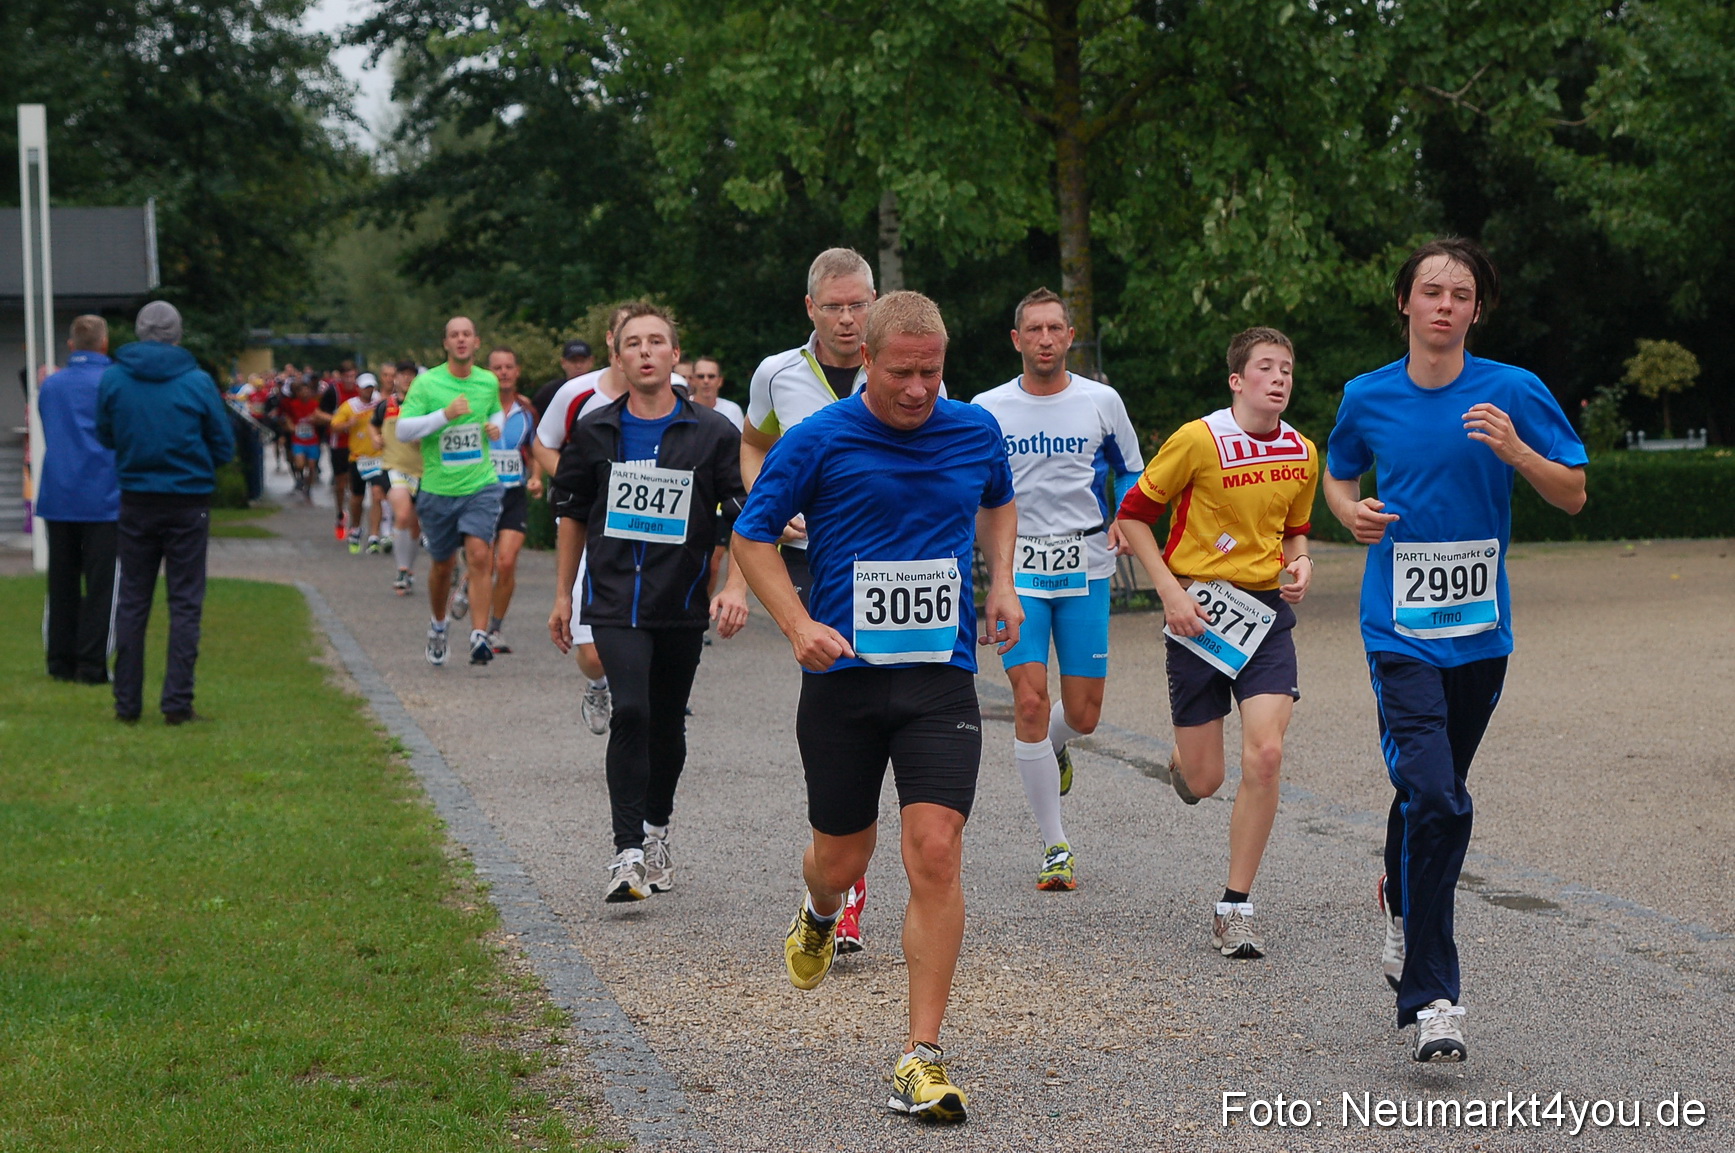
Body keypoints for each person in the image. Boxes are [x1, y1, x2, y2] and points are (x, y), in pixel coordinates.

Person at [732, 291, 1020, 1124]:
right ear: (866, 362)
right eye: (903, 372)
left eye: (933, 371)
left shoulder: (972, 429)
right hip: (843, 681)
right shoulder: (818, 438)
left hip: (939, 677)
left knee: (935, 847)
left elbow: (998, 497)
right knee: (842, 857)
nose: (920, 387)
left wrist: (1000, 578)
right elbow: (750, 536)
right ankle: (820, 912)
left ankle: (919, 1053)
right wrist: (796, 623)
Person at [1323, 238, 1587, 1063]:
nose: (1443, 304)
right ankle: (1434, 997)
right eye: (1430, 290)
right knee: (1438, 794)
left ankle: (1398, 894)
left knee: (1430, 794)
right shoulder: (1365, 396)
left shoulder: (1512, 390)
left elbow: (1574, 493)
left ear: (1477, 309)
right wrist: (1348, 511)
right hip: (1397, 634)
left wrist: (1515, 452)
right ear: (1403, 302)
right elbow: (1336, 472)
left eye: (1460, 293)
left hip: (1480, 636)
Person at [1115, 327, 1317, 961]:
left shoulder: (1304, 451)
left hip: (1264, 620)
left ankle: (1236, 906)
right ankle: (1185, 761)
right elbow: (1131, 516)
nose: (1279, 378)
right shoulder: (1198, 440)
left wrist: (1302, 561)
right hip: (1197, 616)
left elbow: (1295, 532)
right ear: (1237, 380)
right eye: (1266, 368)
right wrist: (1171, 594)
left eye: (1286, 368)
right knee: (1205, 781)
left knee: (1266, 755)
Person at [547, 302, 748, 901]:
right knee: (630, 710)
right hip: (611, 600)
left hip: (679, 602)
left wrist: (734, 584)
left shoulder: (711, 432)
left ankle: (657, 829)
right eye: (632, 342)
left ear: (674, 355)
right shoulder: (595, 428)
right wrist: (563, 594)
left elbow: (744, 515)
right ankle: (627, 851)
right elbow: (571, 514)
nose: (644, 351)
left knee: (666, 721)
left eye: (656, 341)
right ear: (617, 355)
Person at [971, 288, 1144, 891]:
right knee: (1028, 702)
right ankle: (1055, 846)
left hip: (1086, 564)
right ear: (1017, 341)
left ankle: (1055, 746)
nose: (1045, 339)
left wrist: (1125, 513)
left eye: (1055, 329)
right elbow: (970, 483)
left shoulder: (1102, 401)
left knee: (1086, 714)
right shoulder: (986, 408)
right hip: (1017, 571)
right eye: (1033, 330)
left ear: (1070, 337)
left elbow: (1132, 470)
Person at [740, 246, 879, 953]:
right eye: (836, 306)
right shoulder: (777, 373)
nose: (850, 318)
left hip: (881, 568)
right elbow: (753, 443)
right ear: (810, 310)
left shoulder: (903, 369)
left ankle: (844, 900)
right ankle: (836, 871)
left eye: (860, 304)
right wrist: (772, 502)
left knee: (883, 706)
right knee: (838, 712)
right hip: (808, 564)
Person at [96, 301, 234, 724]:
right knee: (186, 603)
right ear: (177, 334)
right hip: (187, 501)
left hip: (137, 498)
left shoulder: (115, 378)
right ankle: (177, 703)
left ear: (139, 331)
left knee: (133, 601)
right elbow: (223, 444)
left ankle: (127, 703)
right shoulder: (196, 382)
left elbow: (105, 432)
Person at [535, 304, 638, 735]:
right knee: (593, 652)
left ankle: (645, 711)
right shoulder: (577, 392)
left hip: (651, 533)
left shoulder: (675, 390)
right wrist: (581, 483)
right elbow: (542, 444)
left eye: (652, 339)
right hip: (589, 529)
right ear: (612, 341)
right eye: (627, 336)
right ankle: (598, 683)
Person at [394, 318, 505, 667]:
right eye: (454, 335)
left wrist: (495, 426)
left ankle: (479, 636)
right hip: (439, 489)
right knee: (442, 566)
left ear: (476, 342)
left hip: (480, 484)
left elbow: (497, 411)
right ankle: (439, 626)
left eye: (467, 334)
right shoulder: (427, 383)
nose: (461, 340)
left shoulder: (487, 380)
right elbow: (403, 429)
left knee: (479, 555)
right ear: (446, 343)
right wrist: (444, 414)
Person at [37, 314, 120, 684]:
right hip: (104, 495)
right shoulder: (115, 383)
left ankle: (60, 659)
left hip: (60, 492)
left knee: (62, 581)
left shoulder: (51, 386)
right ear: (104, 344)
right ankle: (91, 663)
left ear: (71, 345)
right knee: (101, 585)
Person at [484, 346, 544, 652]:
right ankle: (469, 600)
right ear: (488, 372)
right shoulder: (479, 407)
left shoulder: (528, 411)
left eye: (509, 367)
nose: (504, 372)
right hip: (481, 494)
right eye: (498, 367)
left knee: (506, 563)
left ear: (517, 372)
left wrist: (536, 477)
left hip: (513, 494)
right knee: (484, 562)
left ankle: (494, 629)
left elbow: (536, 450)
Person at [375, 359, 425, 594]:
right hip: (394, 467)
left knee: (415, 525)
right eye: (402, 374)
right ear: (395, 378)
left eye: (410, 375)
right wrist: (375, 437)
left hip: (423, 472)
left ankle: (409, 569)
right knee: (402, 513)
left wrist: (423, 437)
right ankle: (401, 569)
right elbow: (373, 425)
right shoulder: (386, 405)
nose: (406, 379)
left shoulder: (426, 405)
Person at [330, 372, 386, 552]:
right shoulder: (350, 406)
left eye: (371, 387)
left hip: (378, 457)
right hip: (358, 458)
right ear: (359, 388)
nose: (368, 391)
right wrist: (348, 424)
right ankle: (355, 527)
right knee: (357, 497)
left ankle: (374, 535)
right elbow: (334, 425)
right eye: (365, 387)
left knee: (377, 494)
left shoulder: (380, 403)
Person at [321, 361, 360, 542]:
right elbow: (317, 413)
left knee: (354, 482)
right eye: (347, 377)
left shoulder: (362, 390)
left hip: (357, 443)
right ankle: (339, 511)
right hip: (338, 443)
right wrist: (338, 420)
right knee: (340, 481)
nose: (350, 380)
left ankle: (354, 521)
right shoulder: (332, 392)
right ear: (341, 376)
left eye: (353, 376)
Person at [280, 377, 323, 498]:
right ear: (298, 393)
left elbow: (320, 420)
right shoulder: (293, 405)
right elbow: (287, 418)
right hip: (298, 440)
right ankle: (301, 478)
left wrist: (316, 420)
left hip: (312, 440)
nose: (305, 393)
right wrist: (291, 427)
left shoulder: (315, 404)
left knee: (311, 466)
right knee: (299, 464)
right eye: (302, 391)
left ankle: (308, 487)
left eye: (307, 391)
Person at [531, 338, 595, 419]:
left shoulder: (601, 390)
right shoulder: (548, 393)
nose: (578, 366)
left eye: (582, 361)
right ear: (563, 363)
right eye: (573, 361)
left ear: (591, 362)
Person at [689, 356, 744, 431]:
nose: (706, 381)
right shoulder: (683, 408)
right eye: (701, 376)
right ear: (692, 380)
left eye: (711, 376)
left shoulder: (732, 410)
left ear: (720, 381)